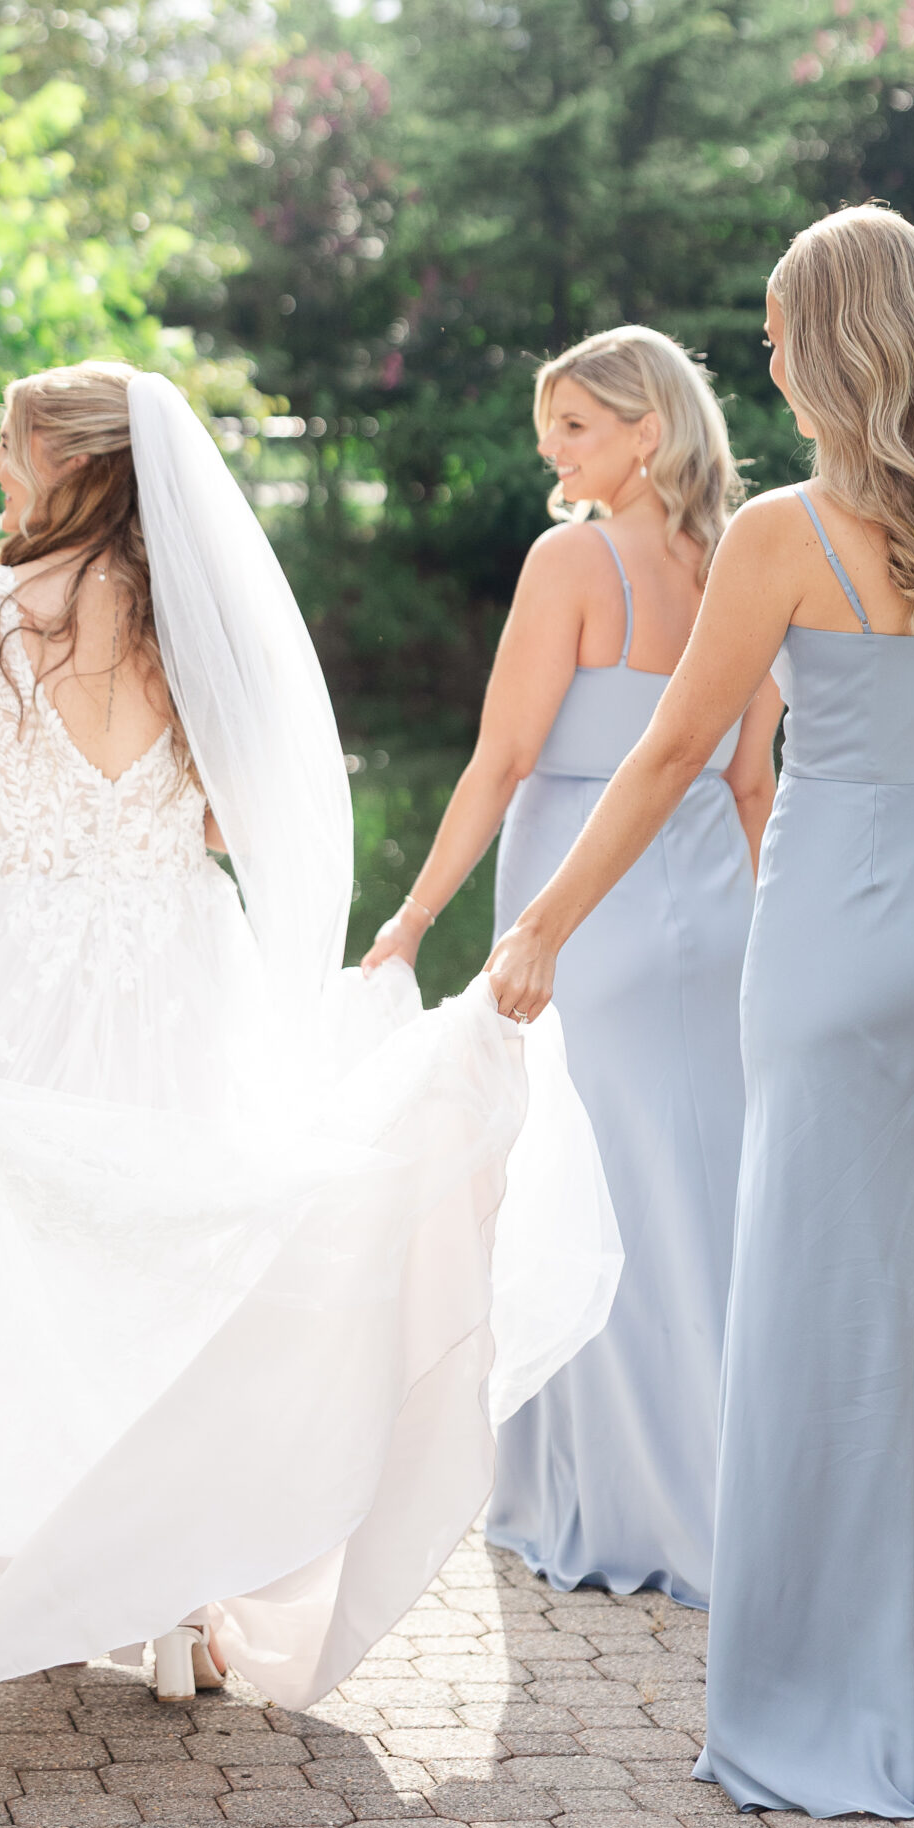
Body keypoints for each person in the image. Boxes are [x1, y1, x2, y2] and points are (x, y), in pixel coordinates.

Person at [0, 360, 621, 1741]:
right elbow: (244, 822)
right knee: (170, 1278)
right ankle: (166, 1612)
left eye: (7, 446)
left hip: (1, 967)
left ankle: (8, 1590)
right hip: (169, 969)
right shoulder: (193, 629)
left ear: (70, 466)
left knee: (6, 1270)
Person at [489, 204, 914, 1819]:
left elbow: (674, 754)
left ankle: (832, 1709)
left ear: (824, 345)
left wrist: (542, 913)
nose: (757, 355)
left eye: (772, 329)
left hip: (827, 954)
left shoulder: (782, 534)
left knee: (816, 1327)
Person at [366, 328, 778, 1607]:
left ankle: (605, 1491)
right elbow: (755, 779)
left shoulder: (573, 559)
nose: (551, 453)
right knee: (694, 1196)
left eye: (578, 429)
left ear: (647, 432)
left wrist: (417, 912)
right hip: (713, 907)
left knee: (577, 1188)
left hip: (581, 910)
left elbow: (498, 759)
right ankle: (741, 1488)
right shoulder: (749, 557)